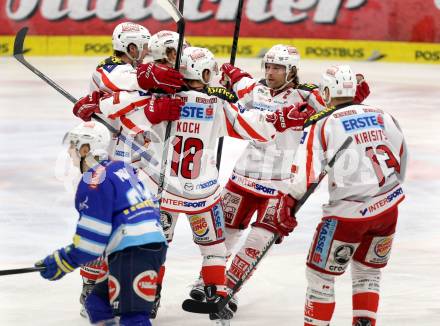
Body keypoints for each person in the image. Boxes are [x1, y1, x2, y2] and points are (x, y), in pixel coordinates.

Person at [76, 45, 312, 323]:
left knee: (155, 245)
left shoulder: (161, 100)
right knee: (214, 248)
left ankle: (149, 298)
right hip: (203, 194)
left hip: (164, 191)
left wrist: (96, 104)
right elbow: (254, 128)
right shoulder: (216, 104)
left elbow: (124, 111)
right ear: (206, 72)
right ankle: (216, 294)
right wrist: (281, 119)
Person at [274, 64, 407, 326]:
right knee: (367, 270)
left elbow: (305, 174)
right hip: (389, 210)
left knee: (319, 275)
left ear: (325, 91)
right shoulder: (382, 114)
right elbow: (401, 154)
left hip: (347, 217)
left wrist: (286, 205)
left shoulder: (323, 124)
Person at [35, 121, 168, 326]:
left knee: (134, 318)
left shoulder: (92, 181)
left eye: (73, 146)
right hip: (151, 243)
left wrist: (60, 261)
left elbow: (91, 244)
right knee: (97, 303)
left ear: (85, 149)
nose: (70, 153)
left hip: (134, 249)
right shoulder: (121, 167)